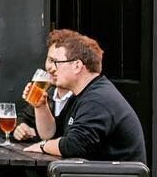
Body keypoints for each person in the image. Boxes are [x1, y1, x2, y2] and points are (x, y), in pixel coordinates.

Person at [21, 30, 146, 163]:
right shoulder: (83, 94)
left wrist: (42, 146)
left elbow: (73, 146)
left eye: (56, 62)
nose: (51, 68)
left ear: (77, 66)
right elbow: (53, 135)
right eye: (49, 61)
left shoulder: (98, 99)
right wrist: (40, 106)